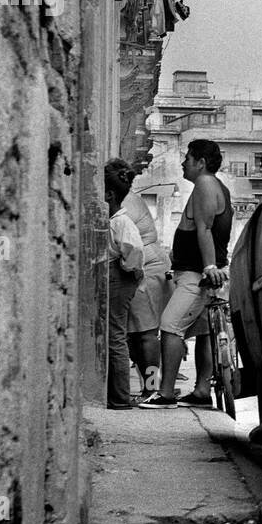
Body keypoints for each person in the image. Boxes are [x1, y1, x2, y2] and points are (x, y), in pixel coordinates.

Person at [141, 139, 233, 409]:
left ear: (201, 163)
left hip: (197, 274)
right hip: (198, 273)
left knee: (170, 326)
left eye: (188, 158)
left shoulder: (206, 184)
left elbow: (204, 229)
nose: (183, 163)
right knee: (204, 333)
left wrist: (208, 267)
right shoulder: (214, 186)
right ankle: (202, 391)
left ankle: (166, 393)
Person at [105, 159, 169, 396]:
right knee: (136, 336)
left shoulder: (125, 206)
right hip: (139, 267)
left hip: (144, 270)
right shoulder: (127, 199)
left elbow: (131, 250)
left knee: (146, 335)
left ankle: (152, 388)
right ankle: (149, 387)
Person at [104, 169, 145, 410]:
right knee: (114, 334)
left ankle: (120, 397)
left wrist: (128, 267)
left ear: (109, 194)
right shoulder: (115, 221)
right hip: (117, 275)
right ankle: (117, 394)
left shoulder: (122, 222)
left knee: (116, 335)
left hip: (120, 276)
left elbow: (135, 251)